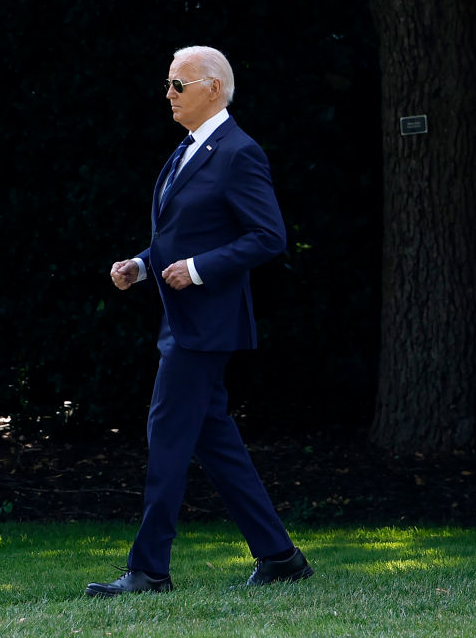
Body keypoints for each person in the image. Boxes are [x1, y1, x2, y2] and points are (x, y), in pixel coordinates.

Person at [86, 46, 312, 598]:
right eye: (167, 84)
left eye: (177, 84)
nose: (168, 94)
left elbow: (268, 236)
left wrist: (198, 269)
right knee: (215, 442)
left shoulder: (238, 152)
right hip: (183, 321)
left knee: (166, 437)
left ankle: (149, 570)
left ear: (213, 87)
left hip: (205, 326)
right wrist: (142, 266)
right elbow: (178, 236)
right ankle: (280, 557)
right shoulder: (187, 151)